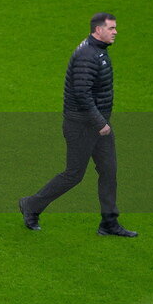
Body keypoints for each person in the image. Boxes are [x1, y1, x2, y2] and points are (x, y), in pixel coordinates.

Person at [18, 13, 138, 237]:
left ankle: (109, 223)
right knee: (73, 174)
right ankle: (31, 205)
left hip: (97, 124)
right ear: (98, 30)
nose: (115, 32)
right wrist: (100, 122)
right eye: (111, 28)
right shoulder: (87, 56)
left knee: (109, 171)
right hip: (82, 126)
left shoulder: (97, 50)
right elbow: (82, 94)